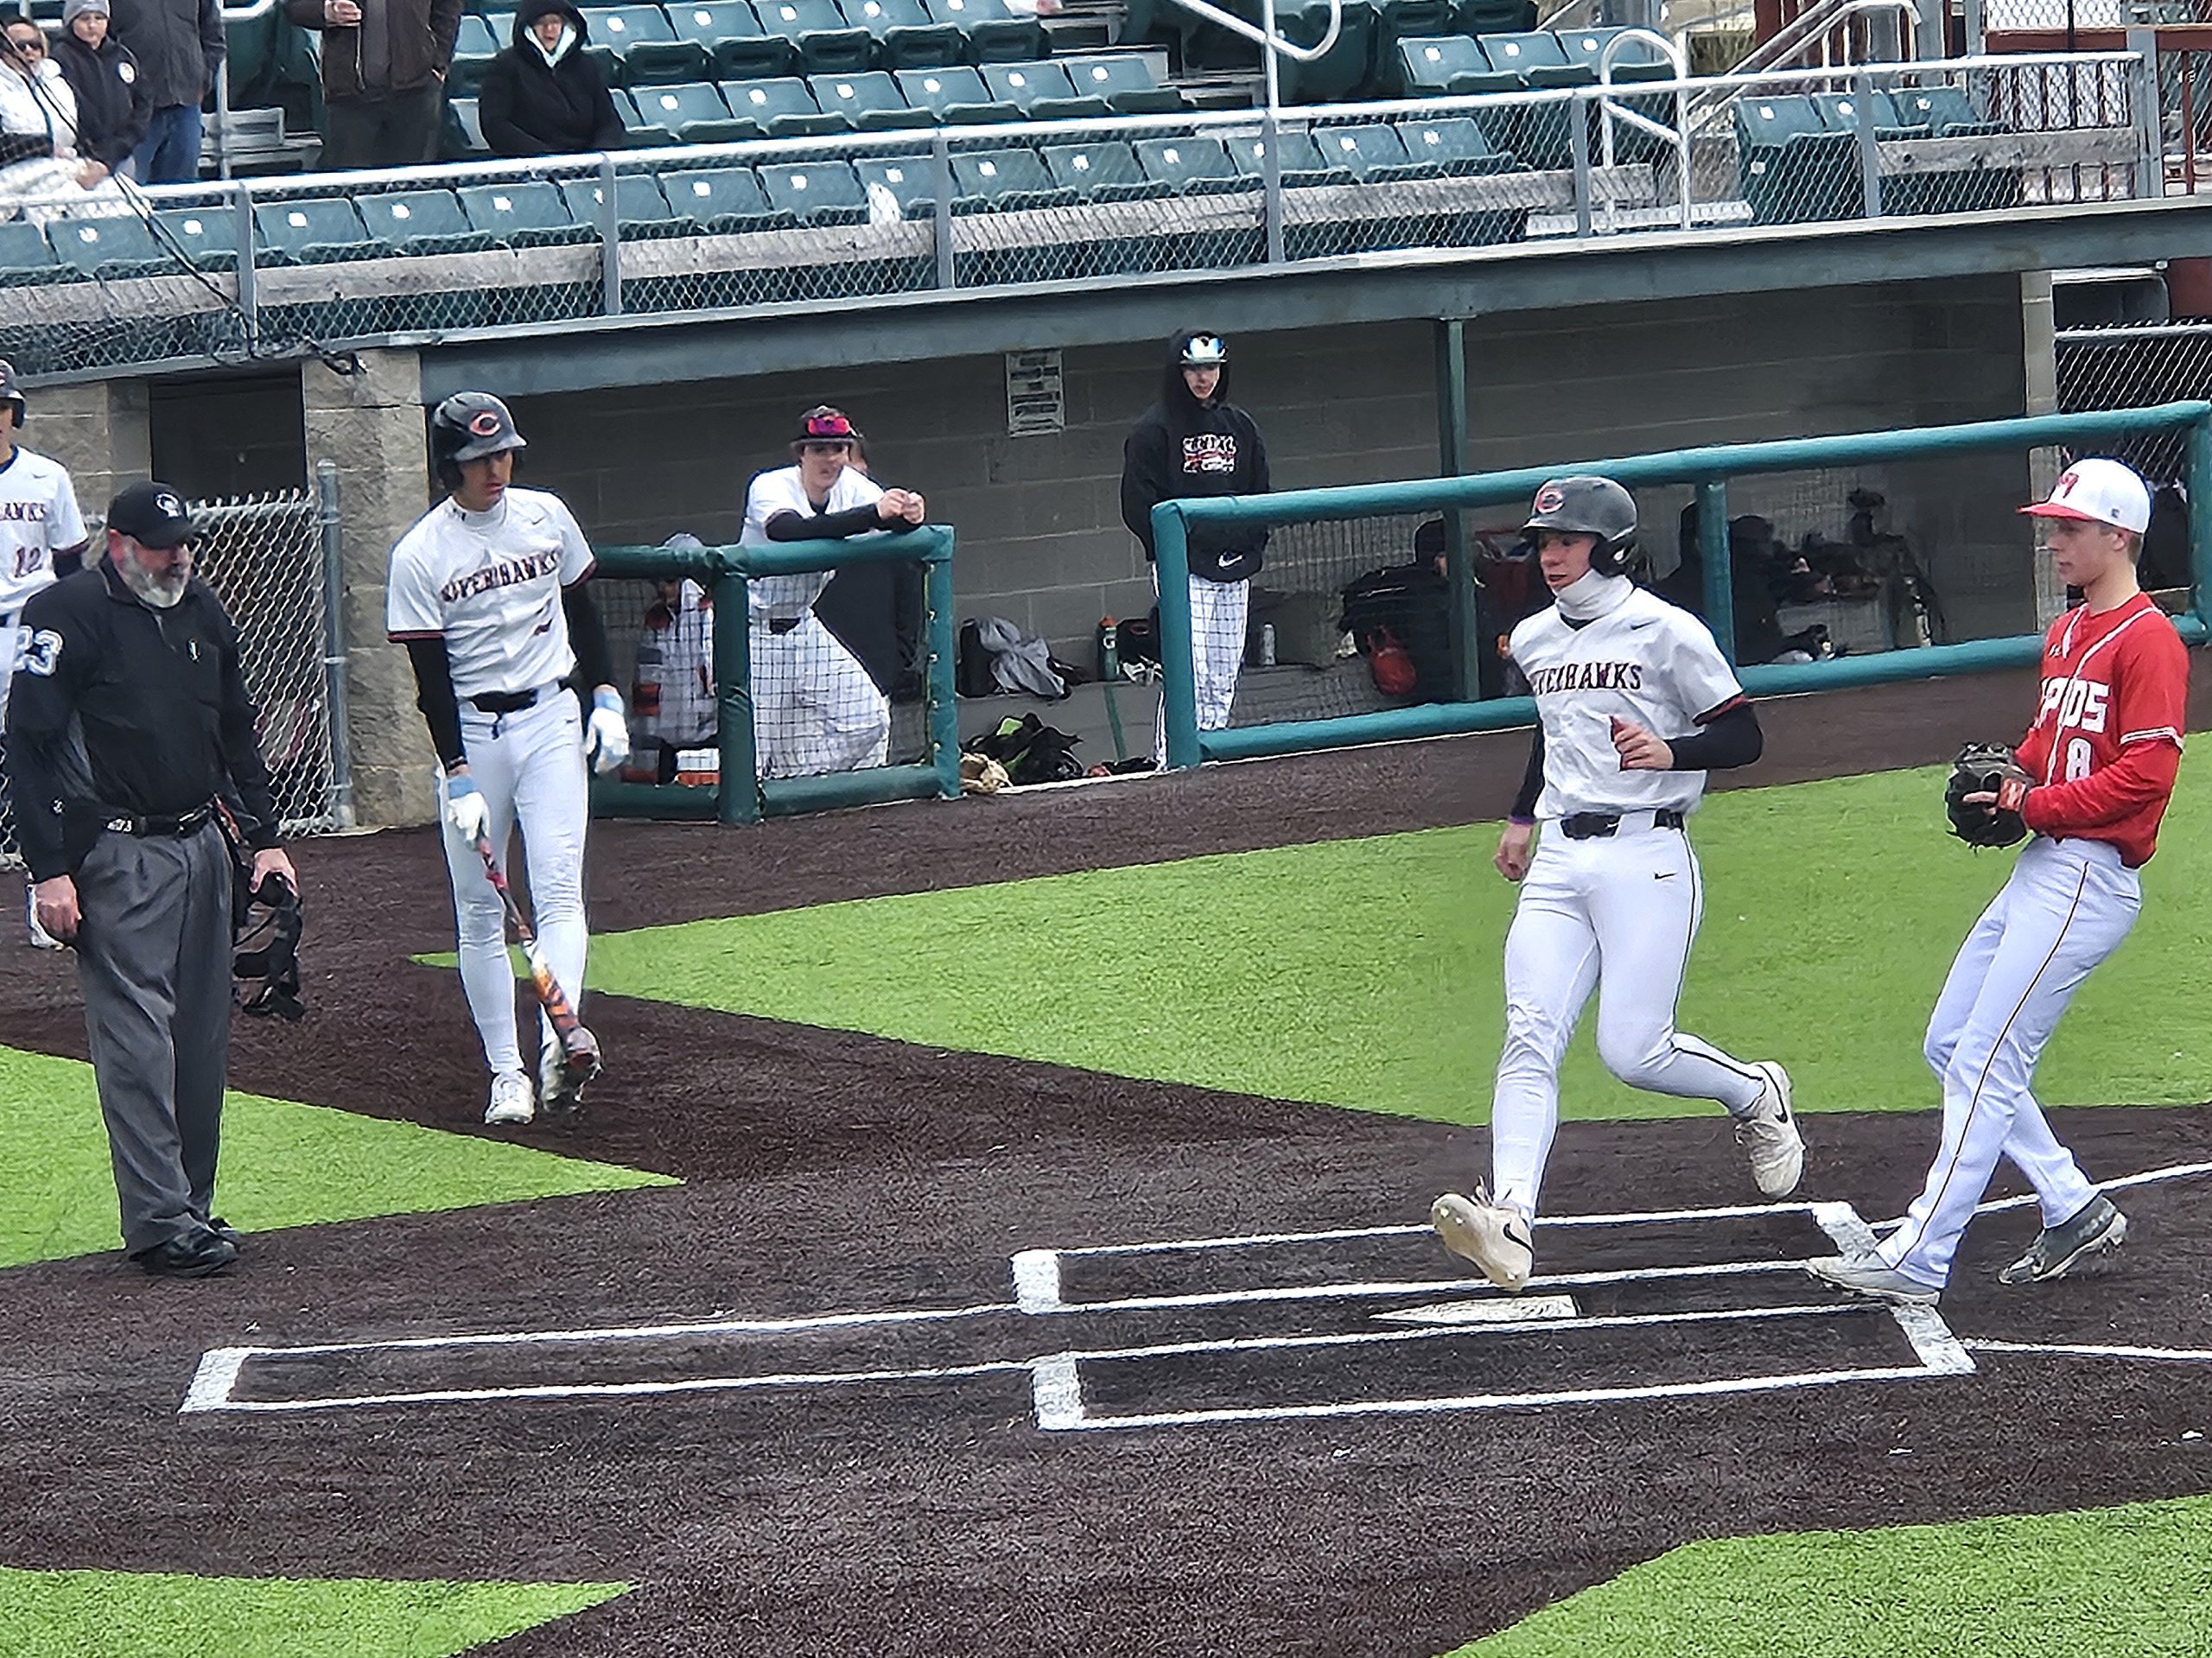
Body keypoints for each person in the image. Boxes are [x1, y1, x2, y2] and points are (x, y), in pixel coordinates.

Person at [1810, 459, 2187, 1304]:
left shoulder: (2148, 639)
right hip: (2044, 866)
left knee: (1985, 1056)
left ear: (2118, 534)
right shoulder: (2065, 633)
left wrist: (2037, 797)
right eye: (2053, 525)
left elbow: (2148, 775)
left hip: (2088, 877)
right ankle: (2070, 1202)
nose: (2053, 540)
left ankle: (1919, 1251)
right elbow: (2047, 739)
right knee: (1950, 1040)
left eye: (2069, 528)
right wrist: (2009, 773)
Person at [1430, 476, 1804, 1293]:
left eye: (1567, 543)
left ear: (1612, 546)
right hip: (1562, 860)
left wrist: (1674, 753)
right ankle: (1512, 1220)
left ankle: (1756, 1092)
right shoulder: (1532, 637)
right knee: (1529, 1033)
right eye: (1543, 544)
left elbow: (1743, 734)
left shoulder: (1666, 630)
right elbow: (1552, 732)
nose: (1551, 557)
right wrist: (1522, 815)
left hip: (1648, 856)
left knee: (1634, 1051)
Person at [3, 481, 297, 1278]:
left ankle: (191, 1206)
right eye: (164, 545)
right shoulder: (65, 614)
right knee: (136, 1039)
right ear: (120, 545)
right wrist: (50, 871)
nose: (180, 556)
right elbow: (26, 749)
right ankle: (160, 1220)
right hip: (117, 852)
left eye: (184, 543)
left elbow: (238, 729)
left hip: (204, 842)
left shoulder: (201, 608)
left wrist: (266, 841)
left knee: (201, 1034)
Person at [387, 392, 630, 1127]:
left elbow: (582, 611)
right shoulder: (421, 553)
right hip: (473, 730)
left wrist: (608, 696)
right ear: (447, 467)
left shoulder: (545, 515)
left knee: (559, 891)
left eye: (502, 454)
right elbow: (429, 679)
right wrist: (455, 771)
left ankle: (561, 1036)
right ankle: (506, 1072)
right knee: (478, 909)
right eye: (478, 459)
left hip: (552, 714)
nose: (496, 468)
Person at [738, 405, 918, 778]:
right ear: (800, 452)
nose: (829, 458)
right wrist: (873, 515)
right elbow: (787, 530)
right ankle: (750, 815)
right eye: (818, 449)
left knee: (868, 719)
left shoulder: (851, 486)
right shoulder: (770, 484)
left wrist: (911, 512)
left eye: (837, 448)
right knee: (751, 757)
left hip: (805, 626)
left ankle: (793, 782)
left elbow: (892, 519)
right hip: (752, 629)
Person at [1119, 331, 1269, 759]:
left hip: (1237, 567)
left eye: (1210, 368)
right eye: (1193, 369)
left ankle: (1210, 758)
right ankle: (1173, 763)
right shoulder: (1153, 429)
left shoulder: (1240, 426)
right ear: (1177, 372)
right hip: (1184, 567)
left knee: (1223, 675)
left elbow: (1260, 490)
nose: (1202, 378)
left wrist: (1252, 546)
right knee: (1191, 671)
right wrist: (1170, 553)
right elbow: (1138, 503)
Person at [0, 359, 91, 950]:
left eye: (1, 406)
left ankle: (49, 896)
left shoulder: (46, 477)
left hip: (30, 632)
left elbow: (71, 570)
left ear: (15, 412)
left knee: (42, 764)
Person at [283, 0, 461, 171]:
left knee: (412, 189)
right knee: (349, 186)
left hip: (417, 92)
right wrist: (326, 11)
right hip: (350, 97)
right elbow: (294, 6)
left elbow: (448, 6)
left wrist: (439, 62)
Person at [476, 0, 622, 160]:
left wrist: (595, 158)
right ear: (529, 26)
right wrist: (547, 159)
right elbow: (496, 125)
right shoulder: (506, 65)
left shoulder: (586, 65)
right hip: (531, 167)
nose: (549, 30)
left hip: (588, 165)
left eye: (555, 22)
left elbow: (609, 122)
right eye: (541, 23)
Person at [630, 532, 716, 783]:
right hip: (666, 737)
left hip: (708, 733)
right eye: (660, 581)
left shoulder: (712, 615)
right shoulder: (656, 618)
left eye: (669, 581)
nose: (662, 588)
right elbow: (645, 684)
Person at [108, 0, 219, 184]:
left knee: (182, 199)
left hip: (186, 105)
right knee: (131, 197)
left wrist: (203, 80)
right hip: (132, 113)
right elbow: (97, 44)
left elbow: (213, 35)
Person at [51, 0, 149, 181]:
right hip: (81, 158)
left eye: (99, 18)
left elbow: (143, 101)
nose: (92, 25)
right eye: (84, 18)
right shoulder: (60, 59)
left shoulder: (123, 55)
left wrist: (124, 143)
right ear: (71, 21)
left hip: (122, 154)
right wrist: (94, 155)